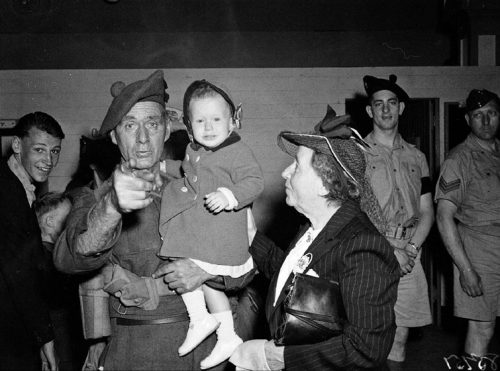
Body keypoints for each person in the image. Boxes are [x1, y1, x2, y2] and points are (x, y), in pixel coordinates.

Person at [54, 70, 257, 370]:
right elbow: (69, 258)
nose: (142, 139)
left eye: (151, 124)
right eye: (129, 125)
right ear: (113, 135)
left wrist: (204, 273)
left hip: (204, 356)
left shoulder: (204, 186)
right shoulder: (93, 199)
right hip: (137, 353)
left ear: (166, 130)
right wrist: (111, 207)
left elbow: (244, 271)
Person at [229, 106, 400, 370]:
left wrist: (276, 358)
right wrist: (252, 237)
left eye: (296, 166)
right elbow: (292, 276)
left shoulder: (362, 246)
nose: (285, 173)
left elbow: (367, 347)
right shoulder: (316, 227)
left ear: (323, 183)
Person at [158, 80, 264, 369]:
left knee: (203, 275)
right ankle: (212, 326)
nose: (209, 127)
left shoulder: (237, 151)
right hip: (202, 234)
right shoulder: (196, 149)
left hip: (223, 236)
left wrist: (230, 196)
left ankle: (217, 328)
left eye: (216, 119)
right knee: (191, 270)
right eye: (200, 121)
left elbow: (255, 181)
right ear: (189, 128)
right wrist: (159, 167)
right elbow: (184, 168)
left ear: (232, 122)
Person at [362, 74, 434, 367]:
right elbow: (354, 213)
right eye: (378, 104)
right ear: (370, 111)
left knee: (400, 336)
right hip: (371, 249)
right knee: (368, 334)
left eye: (392, 103)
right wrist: (390, 250)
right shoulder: (358, 153)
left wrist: (411, 249)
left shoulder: (417, 157)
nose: (386, 110)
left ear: (401, 107)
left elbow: (427, 210)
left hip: (409, 250)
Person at [435, 89, 500, 367]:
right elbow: (444, 217)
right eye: (478, 116)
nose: (485, 122)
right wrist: (466, 269)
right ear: (467, 119)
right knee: (482, 328)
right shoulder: (458, 159)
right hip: (479, 252)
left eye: (492, 114)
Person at [0, 111, 64, 370]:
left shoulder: (18, 186)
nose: (49, 160)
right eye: (39, 149)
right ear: (17, 145)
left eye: (55, 151)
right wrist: (45, 337)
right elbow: (20, 276)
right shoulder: (7, 192)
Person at [34, 192, 85, 370]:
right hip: (59, 341)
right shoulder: (47, 259)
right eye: (69, 218)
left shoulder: (48, 254)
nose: (74, 224)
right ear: (49, 222)